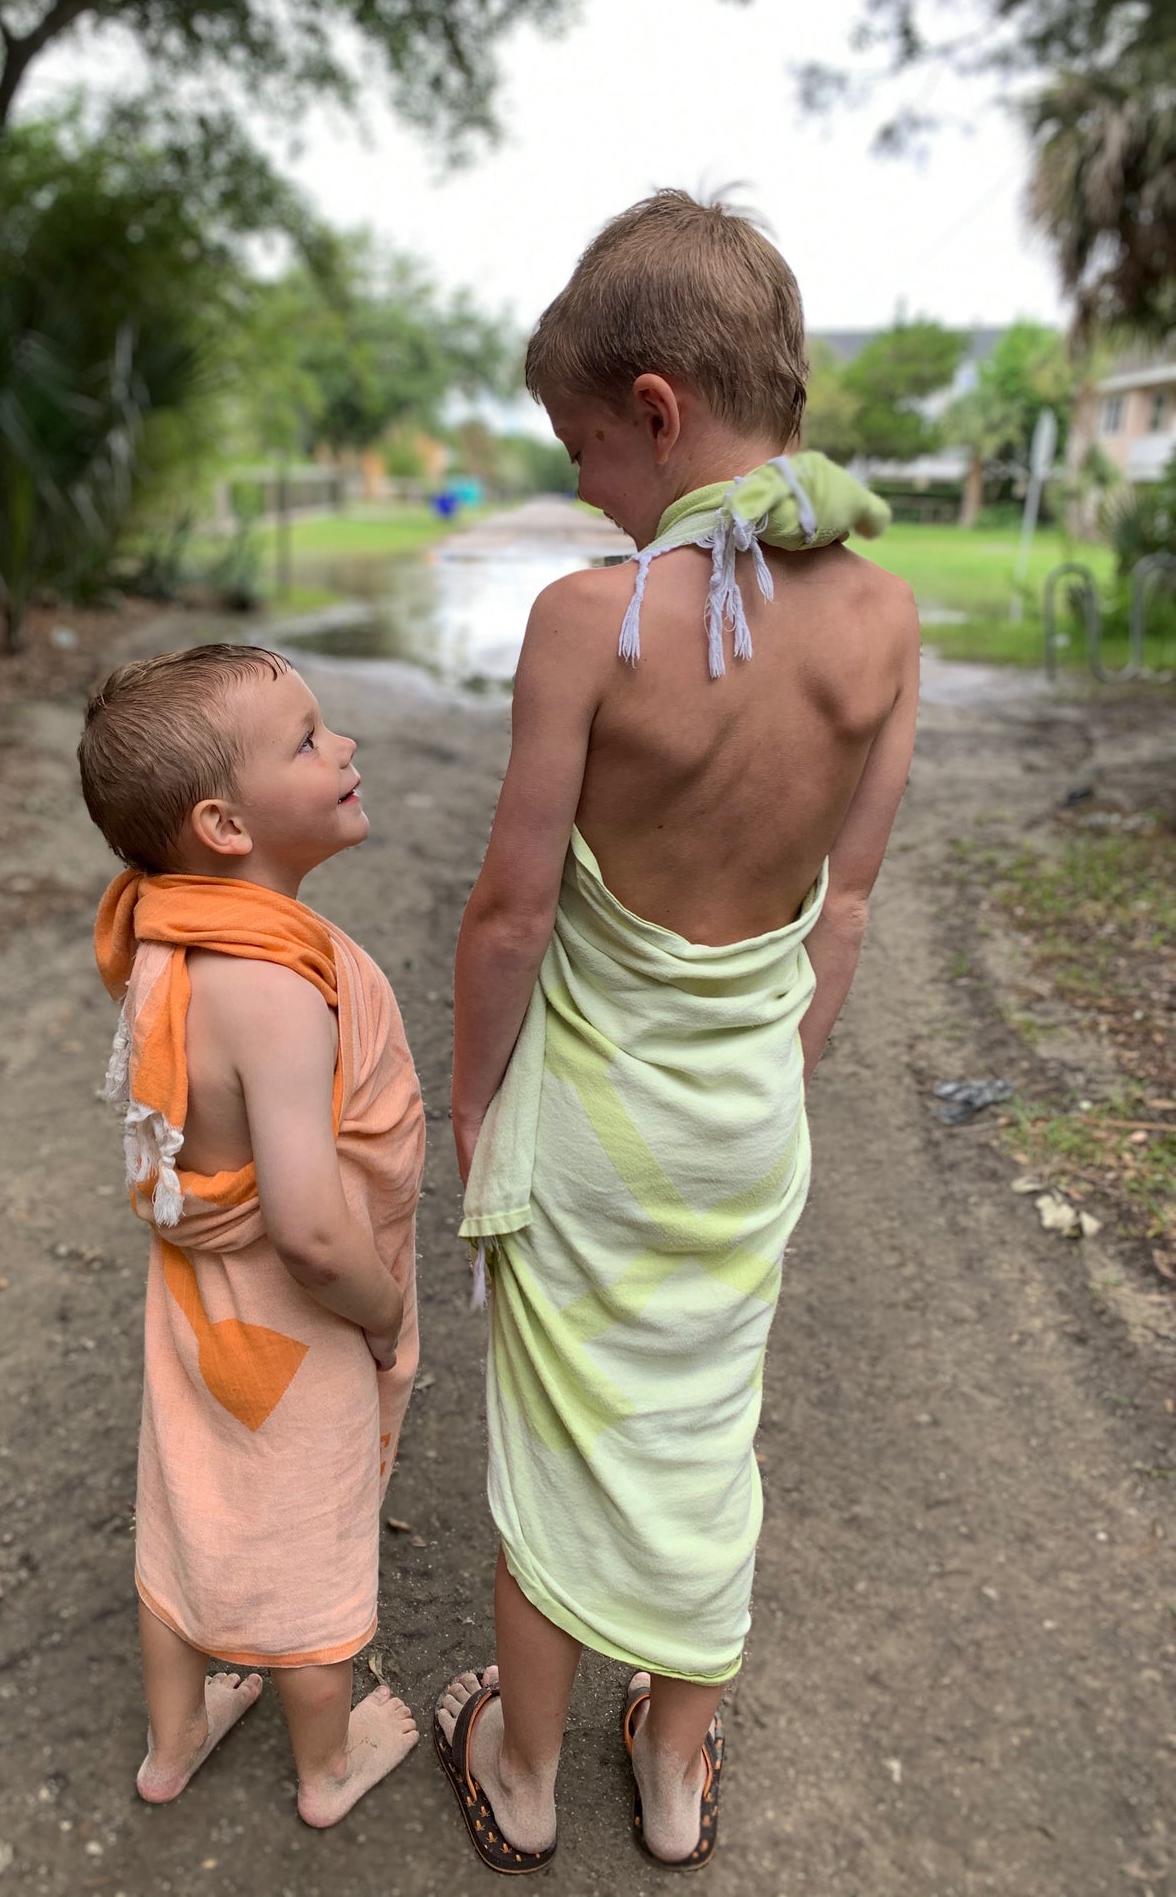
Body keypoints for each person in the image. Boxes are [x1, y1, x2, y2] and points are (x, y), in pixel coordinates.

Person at [434, 191, 917, 1873]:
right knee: (707, 1435)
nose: (578, 488)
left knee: (565, 1436)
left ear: (654, 408)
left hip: (592, 1120)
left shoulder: (595, 621)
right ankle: (672, 1765)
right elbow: (841, 908)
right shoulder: (887, 619)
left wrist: (469, 1102)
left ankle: (523, 1767)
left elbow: (506, 914)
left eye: (580, 449)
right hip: (736, 1122)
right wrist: (773, 1087)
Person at [79, 644, 423, 1827]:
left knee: (184, 1504)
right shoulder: (273, 992)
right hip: (288, 1318)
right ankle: (326, 1770)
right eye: (310, 740)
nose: (343, 750)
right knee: (308, 1541)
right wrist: (379, 1313)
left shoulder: (160, 933)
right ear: (225, 824)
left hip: (190, 1299)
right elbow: (311, 1229)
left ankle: (171, 1746)